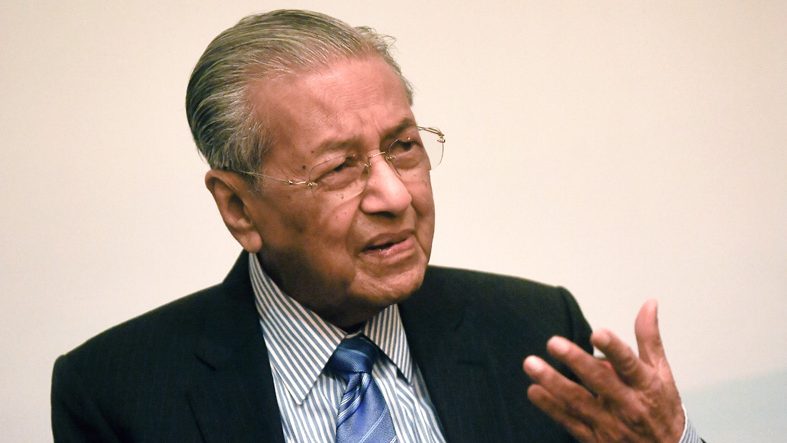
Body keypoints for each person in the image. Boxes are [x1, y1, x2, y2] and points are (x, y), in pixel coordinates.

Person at [51, 9, 702, 443]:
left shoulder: (533, 331)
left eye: (403, 147)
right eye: (339, 168)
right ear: (238, 208)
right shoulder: (118, 393)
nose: (395, 195)